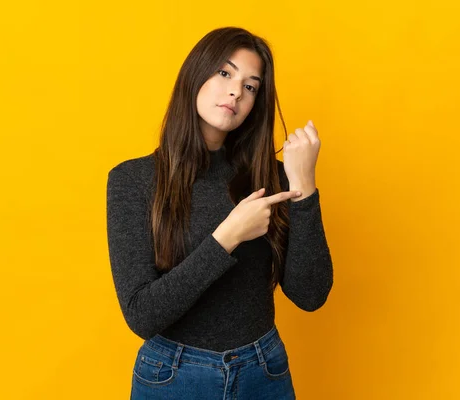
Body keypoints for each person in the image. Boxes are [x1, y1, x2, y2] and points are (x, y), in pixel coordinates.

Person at [106, 26, 333, 400]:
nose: (236, 92)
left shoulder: (270, 177)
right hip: (173, 376)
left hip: (264, 371)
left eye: (251, 86)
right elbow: (142, 315)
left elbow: (311, 294)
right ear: (195, 74)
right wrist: (228, 236)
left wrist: (304, 186)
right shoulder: (133, 180)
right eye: (225, 73)